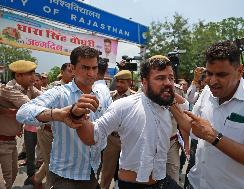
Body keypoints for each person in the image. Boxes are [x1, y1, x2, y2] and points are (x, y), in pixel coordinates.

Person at [36, 55, 185, 189]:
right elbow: (92, 136)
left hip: (162, 181)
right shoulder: (125, 105)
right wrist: (77, 115)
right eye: (160, 78)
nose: (168, 83)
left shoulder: (169, 105)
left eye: (171, 78)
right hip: (132, 185)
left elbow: (189, 125)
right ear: (144, 82)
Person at [171, 40, 244, 189]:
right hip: (197, 184)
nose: (212, 81)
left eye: (221, 75)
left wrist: (214, 137)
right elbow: (195, 129)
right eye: (209, 73)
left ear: (240, 71)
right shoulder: (207, 92)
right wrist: (170, 102)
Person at [16, 46, 110, 189]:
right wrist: (57, 114)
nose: (91, 73)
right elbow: (23, 113)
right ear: (72, 68)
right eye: (85, 68)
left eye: (94, 68)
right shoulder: (60, 93)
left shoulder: (101, 94)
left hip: (92, 170)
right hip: (65, 175)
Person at [0, 60, 41, 189]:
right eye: (30, 73)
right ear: (18, 75)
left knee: (13, 173)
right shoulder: (9, 89)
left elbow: (43, 97)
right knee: (6, 179)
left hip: (10, 141)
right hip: (2, 141)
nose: (34, 77)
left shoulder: (28, 87)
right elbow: (31, 106)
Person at [100, 69, 135, 189]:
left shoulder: (136, 98)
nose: (119, 85)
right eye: (117, 82)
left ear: (130, 82)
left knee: (128, 172)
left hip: (129, 141)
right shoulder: (109, 96)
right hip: (111, 139)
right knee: (106, 173)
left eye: (122, 82)